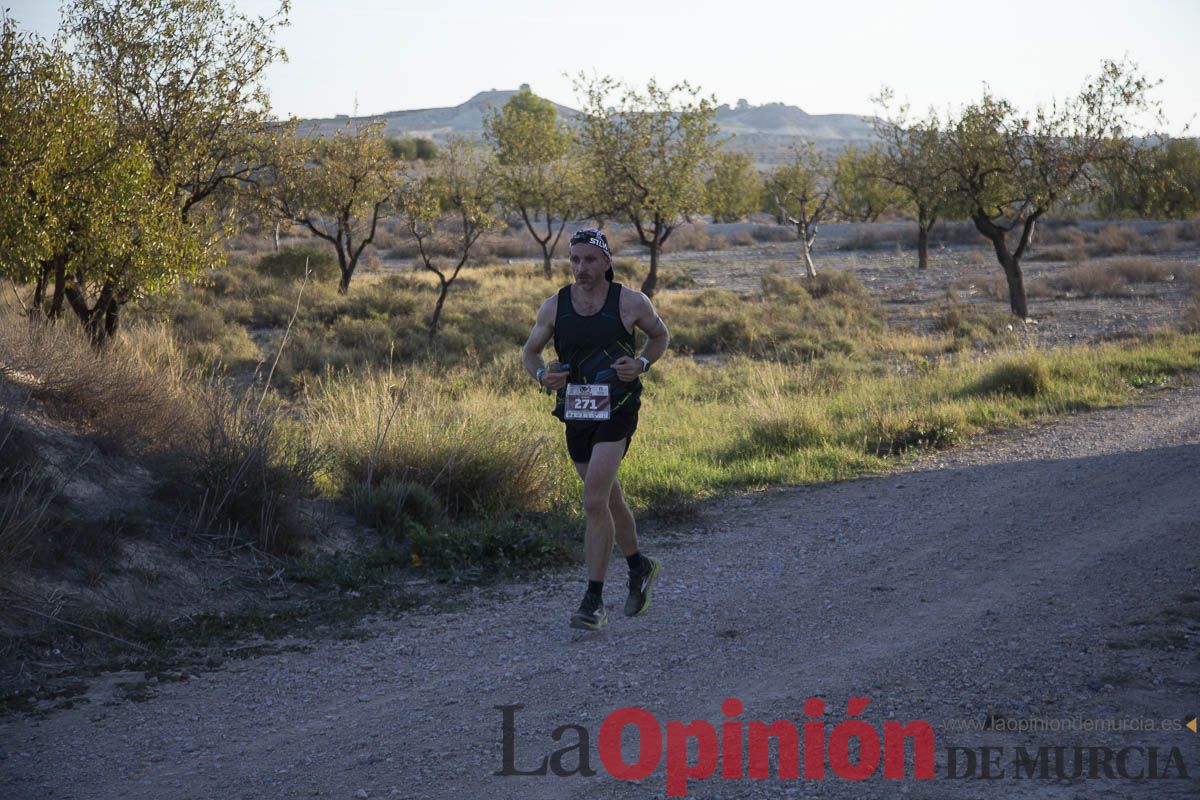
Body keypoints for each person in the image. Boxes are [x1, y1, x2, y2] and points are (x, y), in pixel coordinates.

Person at [521, 228, 670, 630]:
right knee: (609, 499)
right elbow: (530, 352)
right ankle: (639, 567)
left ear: (606, 261)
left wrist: (641, 364)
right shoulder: (555, 306)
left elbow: (660, 336)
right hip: (576, 411)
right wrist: (542, 376)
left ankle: (593, 602)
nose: (581, 267)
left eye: (589, 259)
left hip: (618, 408)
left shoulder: (631, 302)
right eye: (575, 260)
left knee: (592, 500)